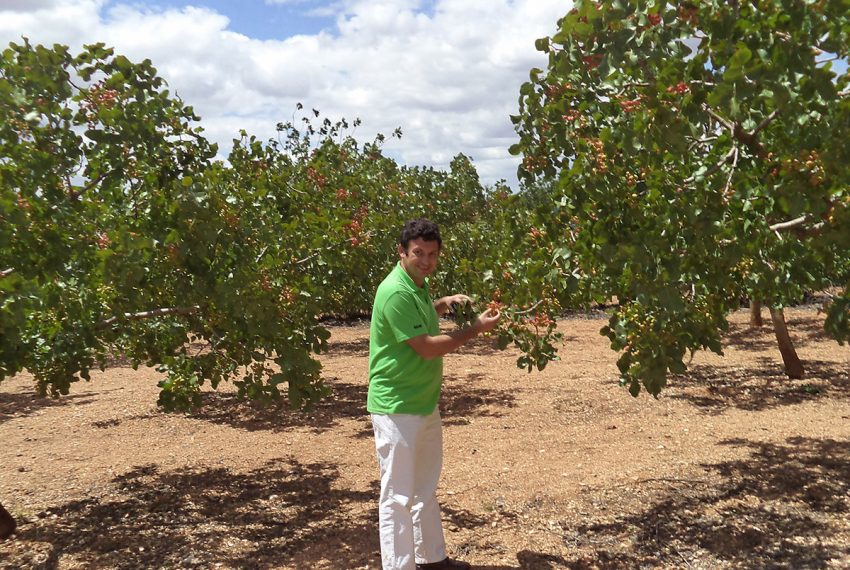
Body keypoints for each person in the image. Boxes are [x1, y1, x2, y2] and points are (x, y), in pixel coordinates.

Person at [367, 219, 501, 570]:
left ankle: (431, 560)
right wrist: (475, 329)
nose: (425, 260)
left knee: (424, 487)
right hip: (397, 406)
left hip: (422, 402)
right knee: (396, 496)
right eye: (418, 253)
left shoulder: (416, 285)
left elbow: (422, 315)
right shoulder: (395, 290)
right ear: (401, 252)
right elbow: (426, 347)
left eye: (432, 254)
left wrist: (443, 303)